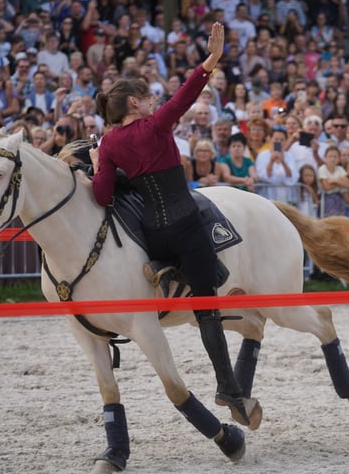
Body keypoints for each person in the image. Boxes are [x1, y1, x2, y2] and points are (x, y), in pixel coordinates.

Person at [90, 22, 253, 426]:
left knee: (178, 258)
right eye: (146, 98)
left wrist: (100, 168)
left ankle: (164, 269)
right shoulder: (156, 125)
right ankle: (228, 387)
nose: (152, 102)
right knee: (207, 307)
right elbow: (186, 96)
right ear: (133, 104)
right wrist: (211, 61)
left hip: (152, 233)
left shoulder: (108, 143)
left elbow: (103, 197)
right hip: (186, 225)